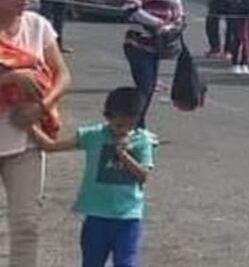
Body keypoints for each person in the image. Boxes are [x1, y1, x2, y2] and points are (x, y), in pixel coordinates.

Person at [29, 87, 155, 267]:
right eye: (119, 125)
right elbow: (51, 147)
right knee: (92, 261)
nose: (124, 130)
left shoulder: (142, 140)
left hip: (128, 217)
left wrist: (124, 156)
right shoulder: (94, 135)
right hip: (97, 215)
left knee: (126, 263)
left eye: (131, 124)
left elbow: (143, 175)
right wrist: (29, 125)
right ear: (108, 117)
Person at [0, 0, 72, 267]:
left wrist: (42, 106)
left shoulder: (38, 26)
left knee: (27, 224)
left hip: (26, 139)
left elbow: (64, 75)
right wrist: (10, 78)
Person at [122, 0, 182, 128]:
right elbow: (130, 9)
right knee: (145, 88)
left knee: (148, 89)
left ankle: (136, 125)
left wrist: (174, 24)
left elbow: (177, 11)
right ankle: (136, 126)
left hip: (155, 46)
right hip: (138, 45)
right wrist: (156, 23)